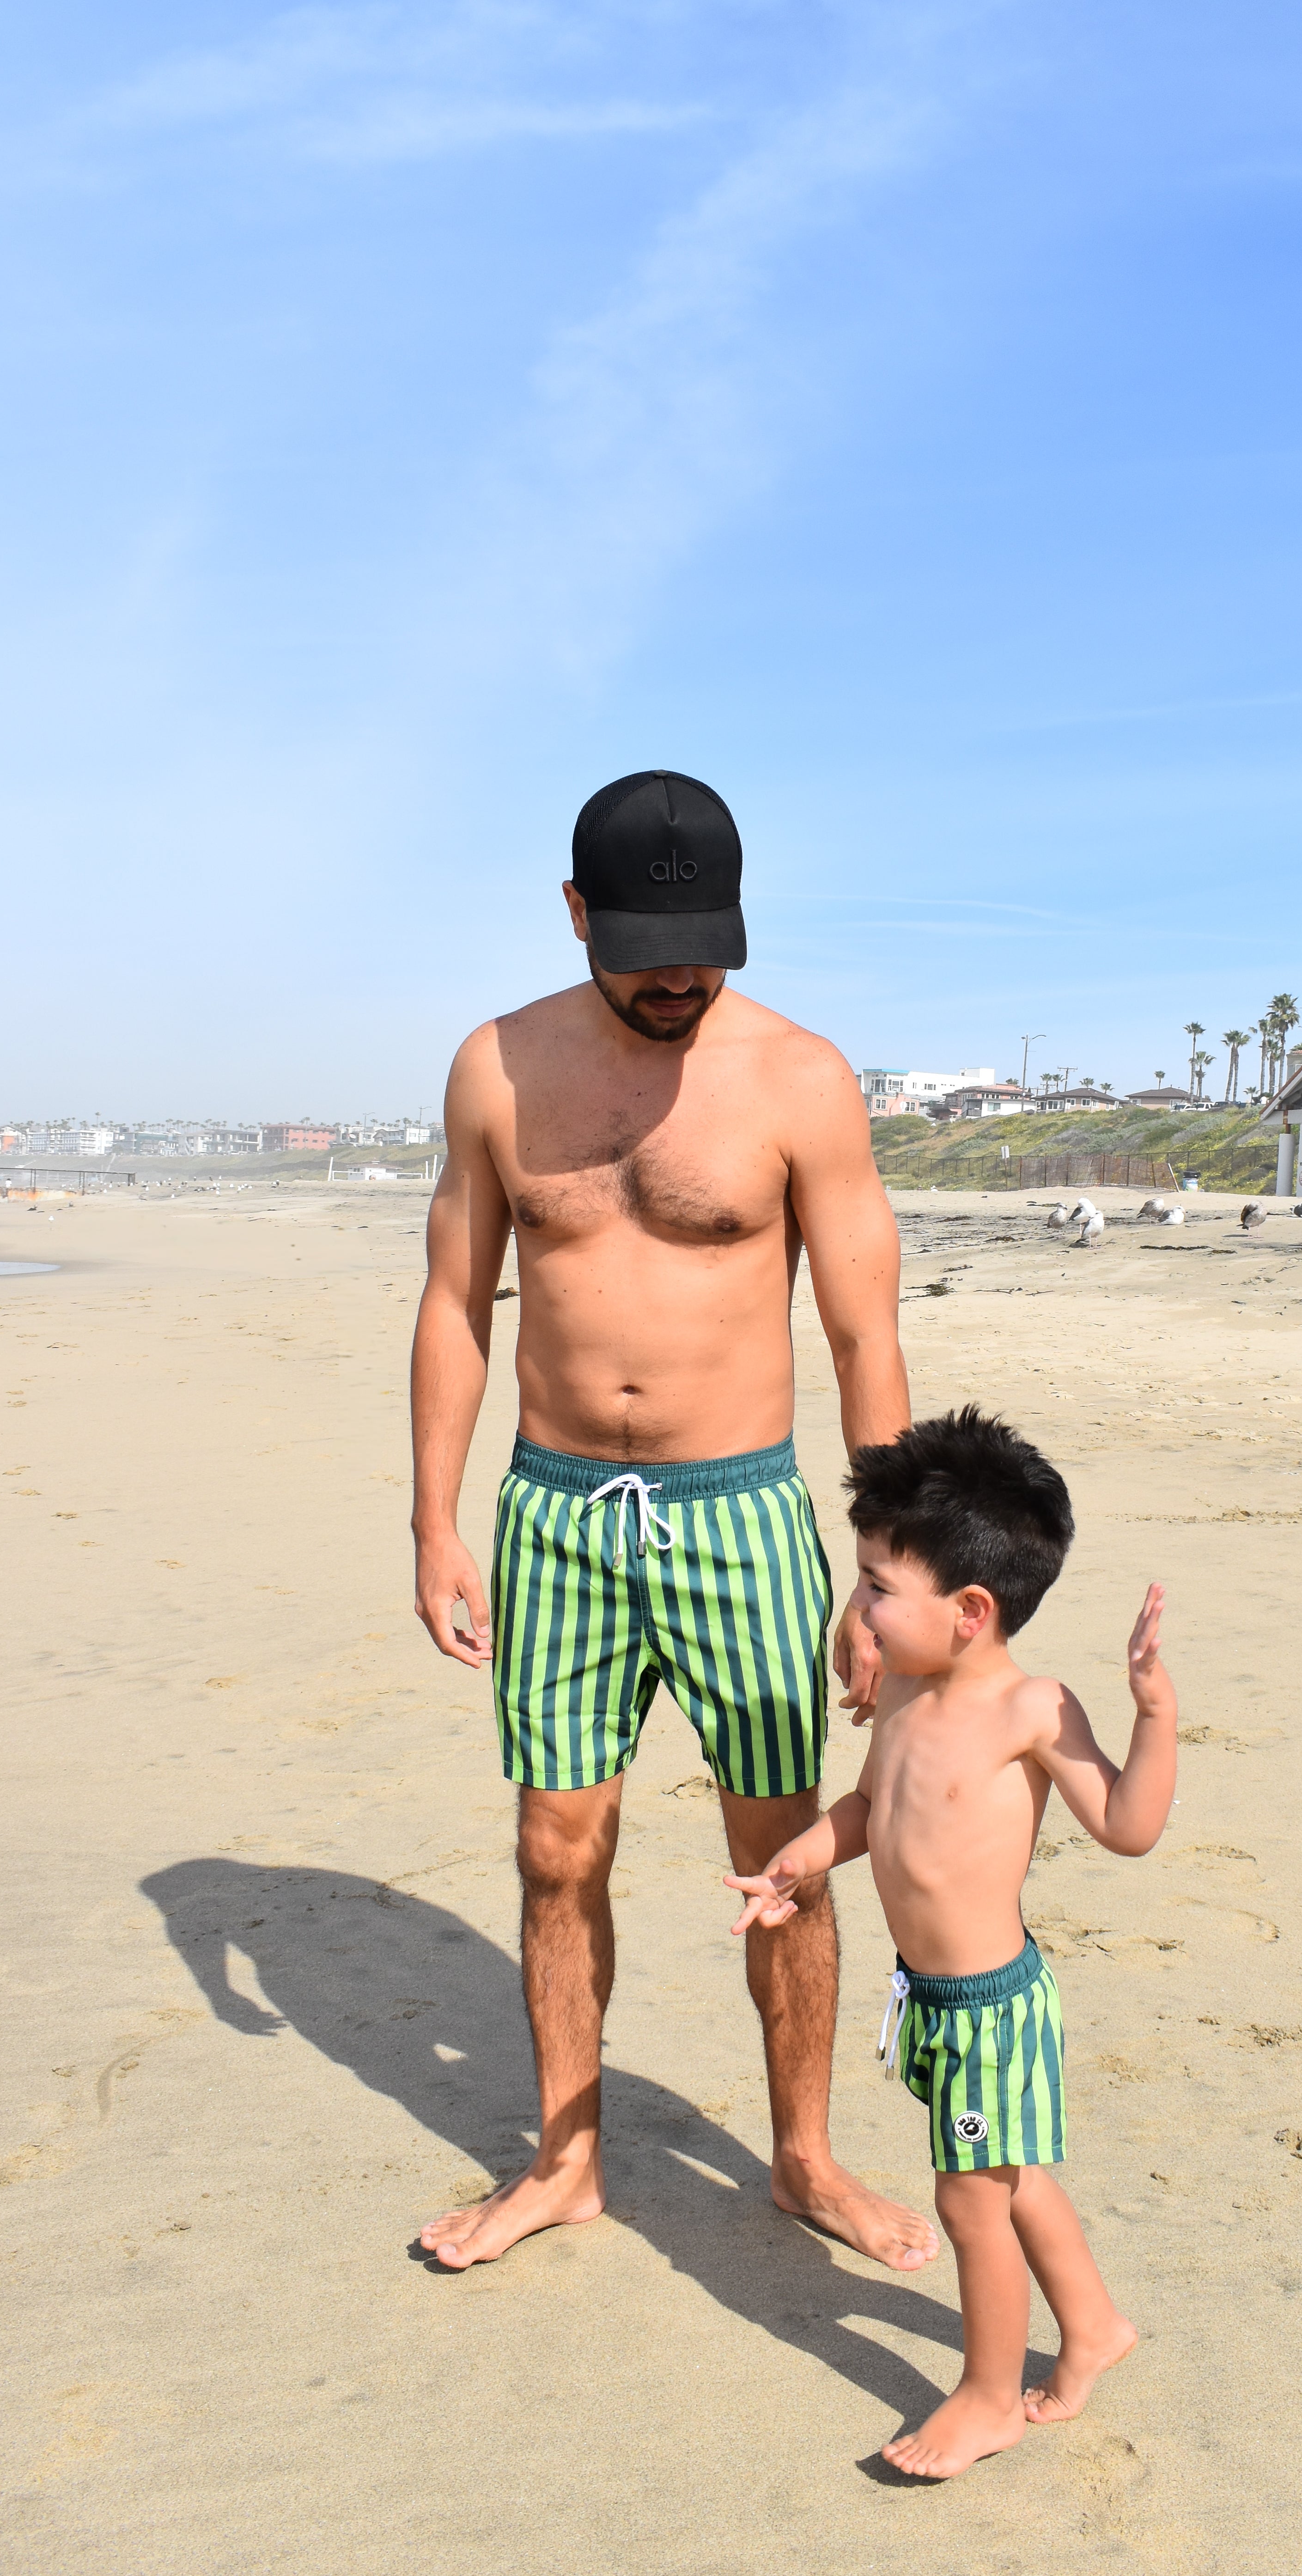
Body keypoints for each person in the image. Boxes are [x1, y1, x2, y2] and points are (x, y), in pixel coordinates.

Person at [410, 769, 933, 2274]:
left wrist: (885, 1564)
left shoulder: (799, 1080)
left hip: (743, 1515)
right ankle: (563, 2160)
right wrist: (434, 1524)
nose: (677, 977)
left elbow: (863, 1338)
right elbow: (455, 1304)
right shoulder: (496, 1070)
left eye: (705, 943)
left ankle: (806, 2157)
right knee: (556, 1847)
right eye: (643, 944)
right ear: (575, 912)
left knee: (784, 1850)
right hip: (557, 1512)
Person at [726, 1407, 1178, 2478]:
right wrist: (799, 1860)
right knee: (1009, 2177)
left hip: (992, 2009)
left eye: (880, 1587)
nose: (862, 1610)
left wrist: (1154, 1714)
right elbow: (871, 1809)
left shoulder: (1031, 1709)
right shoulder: (904, 1701)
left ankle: (985, 2397)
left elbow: (1128, 1827)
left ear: (971, 1610)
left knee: (967, 2195)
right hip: (928, 1999)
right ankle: (1094, 2327)